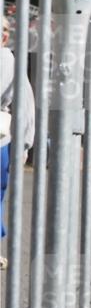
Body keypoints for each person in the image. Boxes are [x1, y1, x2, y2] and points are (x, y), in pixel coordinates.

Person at [1, 14, 35, 271]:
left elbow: (24, 105)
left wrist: (23, 143)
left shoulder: (7, 60)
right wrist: (23, 144)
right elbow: (25, 105)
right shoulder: (8, 60)